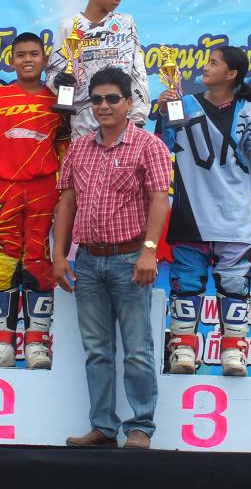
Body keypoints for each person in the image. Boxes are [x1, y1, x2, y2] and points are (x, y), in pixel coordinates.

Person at [53, 67, 171, 449]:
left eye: (112, 99)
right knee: (97, 351)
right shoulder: (79, 148)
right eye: (97, 99)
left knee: (137, 350)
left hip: (130, 259)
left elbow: (159, 200)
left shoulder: (148, 145)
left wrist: (149, 251)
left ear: (129, 102)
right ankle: (103, 427)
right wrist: (59, 255)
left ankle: (141, 428)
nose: (104, 106)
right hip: (88, 261)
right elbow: (67, 202)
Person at [156, 47, 251, 376]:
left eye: (213, 63)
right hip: (191, 214)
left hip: (233, 219)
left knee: (235, 288)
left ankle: (234, 350)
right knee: (186, 285)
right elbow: (163, 147)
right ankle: (182, 347)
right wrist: (164, 113)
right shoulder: (184, 104)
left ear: (231, 74)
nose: (205, 67)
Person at [0, 32, 65, 369]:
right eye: (21, 54)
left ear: (45, 59)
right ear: (11, 61)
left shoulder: (58, 97)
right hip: (3, 189)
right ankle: (1, 343)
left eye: (34, 54)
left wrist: (66, 190)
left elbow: (66, 147)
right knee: (2, 262)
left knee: (38, 261)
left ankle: (37, 344)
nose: (27, 60)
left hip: (44, 188)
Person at [46, 0, 151, 139]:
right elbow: (53, 73)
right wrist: (58, 81)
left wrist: (138, 119)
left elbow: (138, 72)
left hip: (123, 122)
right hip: (83, 123)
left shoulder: (126, 23)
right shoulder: (69, 27)